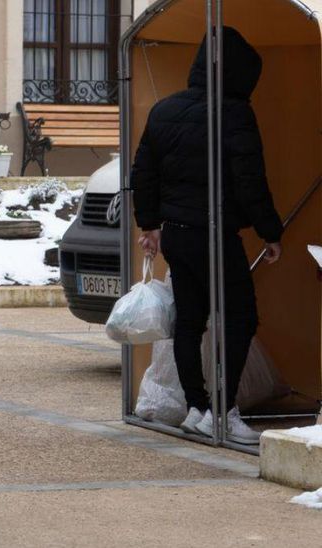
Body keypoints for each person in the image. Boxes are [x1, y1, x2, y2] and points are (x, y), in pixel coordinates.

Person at [132, 26, 283, 445]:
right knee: (241, 316)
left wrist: (149, 226)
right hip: (215, 236)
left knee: (190, 319)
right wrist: (271, 232)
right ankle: (224, 410)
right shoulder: (233, 113)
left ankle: (197, 408)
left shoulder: (164, 110)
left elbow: (142, 173)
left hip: (176, 235)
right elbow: (250, 180)